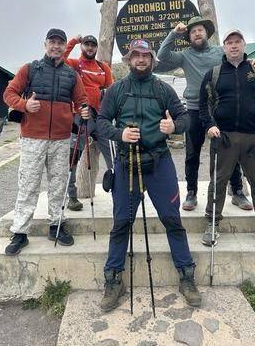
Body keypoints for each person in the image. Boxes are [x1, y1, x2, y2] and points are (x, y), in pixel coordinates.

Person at [97, 38, 202, 311]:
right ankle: (113, 279)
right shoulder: (116, 90)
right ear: (129, 59)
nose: (140, 60)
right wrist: (119, 133)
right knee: (121, 223)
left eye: (145, 56)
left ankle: (187, 276)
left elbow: (185, 119)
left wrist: (173, 127)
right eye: (135, 56)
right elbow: (100, 122)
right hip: (126, 164)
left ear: (152, 59)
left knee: (172, 218)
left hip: (159, 163)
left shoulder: (163, 89)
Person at [3, 28, 89, 256]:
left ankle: (57, 225)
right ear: (45, 44)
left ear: (64, 46)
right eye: (52, 42)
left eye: (60, 43)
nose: (56, 46)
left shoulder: (72, 75)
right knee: (28, 184)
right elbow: (9, 93)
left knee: (58, 183)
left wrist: (85, 112)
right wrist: (23, 105)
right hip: (32, 138)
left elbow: (82, 101)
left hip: (61, 139)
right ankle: (20, 232)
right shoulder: (30, 69)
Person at [157, 17, 254, 211]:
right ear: (189, 37)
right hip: (193, 109)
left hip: (220, 109)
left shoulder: (220, 52)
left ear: (206, 33)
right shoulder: (185, 56)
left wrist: (254, 61)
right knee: (192, 152)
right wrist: (174, 32)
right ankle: (191, 192)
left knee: (230, 150)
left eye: (200, 30)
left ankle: (237, 191)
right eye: (193, 31)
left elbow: (240, 61)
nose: (197, 33)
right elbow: (162, 54)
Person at [199, 29, 255, 248]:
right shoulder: (214, 73)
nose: (233, 46)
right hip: (223, 137)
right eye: (229, 42)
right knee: (218, 182)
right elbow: (203, 104)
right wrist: (210, 125)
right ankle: (213, 223)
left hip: (253, 138)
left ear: (244, 45)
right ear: (224, 47)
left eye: (237, 42)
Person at [63, 34, 113, 211]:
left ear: (97, 48)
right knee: (73, 157)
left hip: (100, 118)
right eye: (86, 45)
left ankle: (117, 191)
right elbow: (61, 58)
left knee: (113, 157)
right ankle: (72, 196)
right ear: (82, 47)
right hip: (80, 117)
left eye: (93, 45)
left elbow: (110, 89)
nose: (90, 48)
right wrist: (74, 41)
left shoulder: (103, 67)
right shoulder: (76, 64)